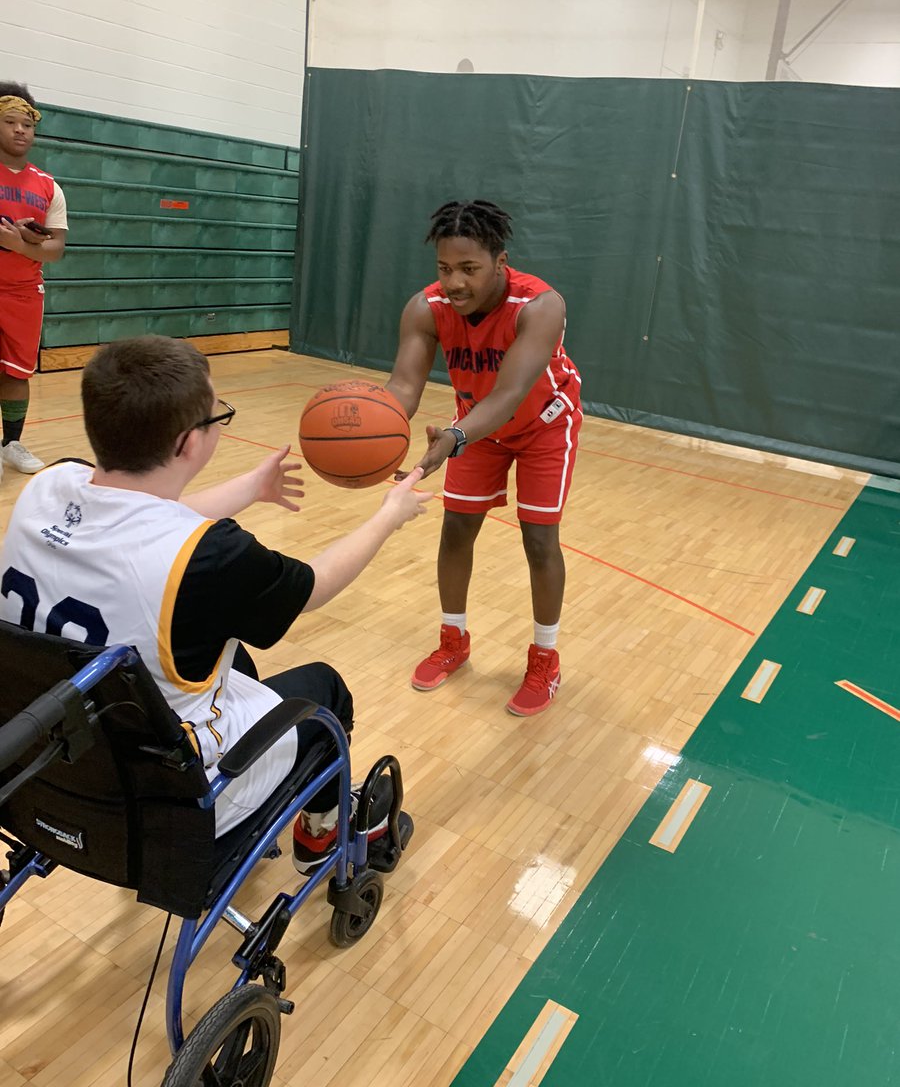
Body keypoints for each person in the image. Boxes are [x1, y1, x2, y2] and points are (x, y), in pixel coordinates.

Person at [0, 335, 431, 871]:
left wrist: (250, 488)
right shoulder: (213, 558)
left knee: (235, 660)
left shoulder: (47, 486)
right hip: (169, 803)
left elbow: (138, 515)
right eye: (216, 416)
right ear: (187, 443)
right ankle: (320, 836)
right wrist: (390, 514)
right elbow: (314, 586)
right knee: (324, 691)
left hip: (43, 762)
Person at [385, 200, 582, 717]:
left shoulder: (540, 305)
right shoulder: (426, 308)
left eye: (469, 269)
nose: (454, 283)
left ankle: (545, 658)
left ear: (500, 261)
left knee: (539, 539)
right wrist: (377, 427)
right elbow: (404, 384)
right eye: (445, 269)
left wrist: (449, 439)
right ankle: (453, 641)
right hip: (476, 428)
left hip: (543, 424)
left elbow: (510, 394)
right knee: (456, 530)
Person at [0, 82, 68, 478]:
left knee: (16, 373)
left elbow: (56, 248)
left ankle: (12, 444)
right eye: (10, 122)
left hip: (25, 291)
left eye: (27, 124)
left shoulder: (48, 185)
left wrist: (21, 242)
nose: (20, 130)